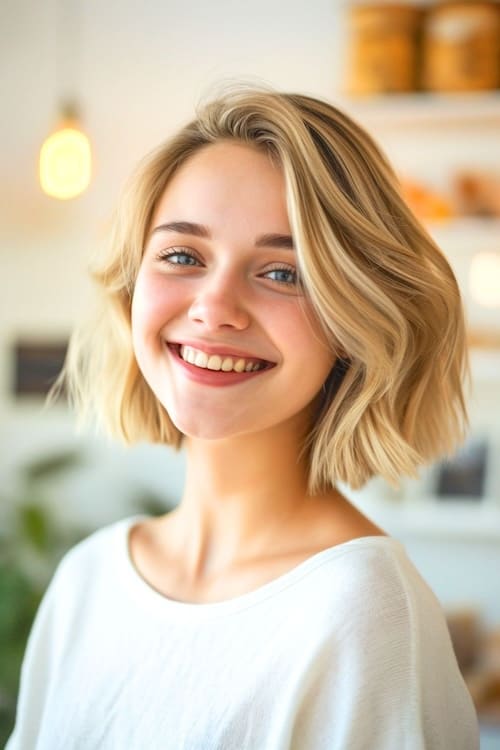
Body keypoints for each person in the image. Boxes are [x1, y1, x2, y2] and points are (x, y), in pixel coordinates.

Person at [7, 86, 479, 749]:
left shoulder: (363, 612)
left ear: (354, 319)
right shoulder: (86, 581)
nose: (215, 306)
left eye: (284, 273)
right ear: (131, 285)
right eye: (183, 256)